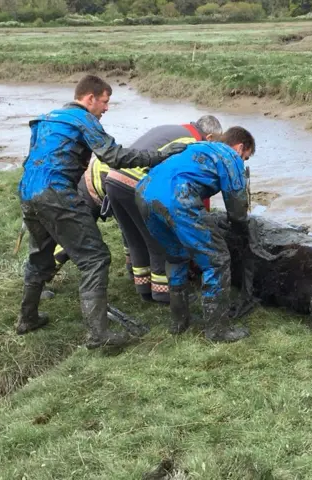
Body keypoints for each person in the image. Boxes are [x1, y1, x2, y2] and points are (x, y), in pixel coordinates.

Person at [16, 74, 185, 349]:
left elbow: (34, 158)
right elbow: (116, 158)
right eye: (105, 102)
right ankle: (99, 335)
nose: (106, 108)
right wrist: (160, 155)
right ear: (90, 98)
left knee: (40, 255)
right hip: (56, 194)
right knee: (95, 259)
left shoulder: (47, 118)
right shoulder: (83, 120)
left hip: (28, 192)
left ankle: (27, 318)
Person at [136, 126, 255, 343]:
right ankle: (217, 330)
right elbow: (237, 208)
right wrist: (242, 233)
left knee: (176, 255)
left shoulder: (197, 146)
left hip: (144, 193)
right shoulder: (230, 156)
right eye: (245, 158)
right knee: (217, 260)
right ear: (240, 148)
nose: (243, 162)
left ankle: (179, 321)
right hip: (176, 197)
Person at [104, 116, 223, 304]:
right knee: (157, 239)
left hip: (113, 179)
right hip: (136, 184)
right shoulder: (192, 144)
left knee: (135, 239)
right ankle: (162, 292)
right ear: (209, 137)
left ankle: (143, 287)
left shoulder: (174, 129)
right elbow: (190, 186)